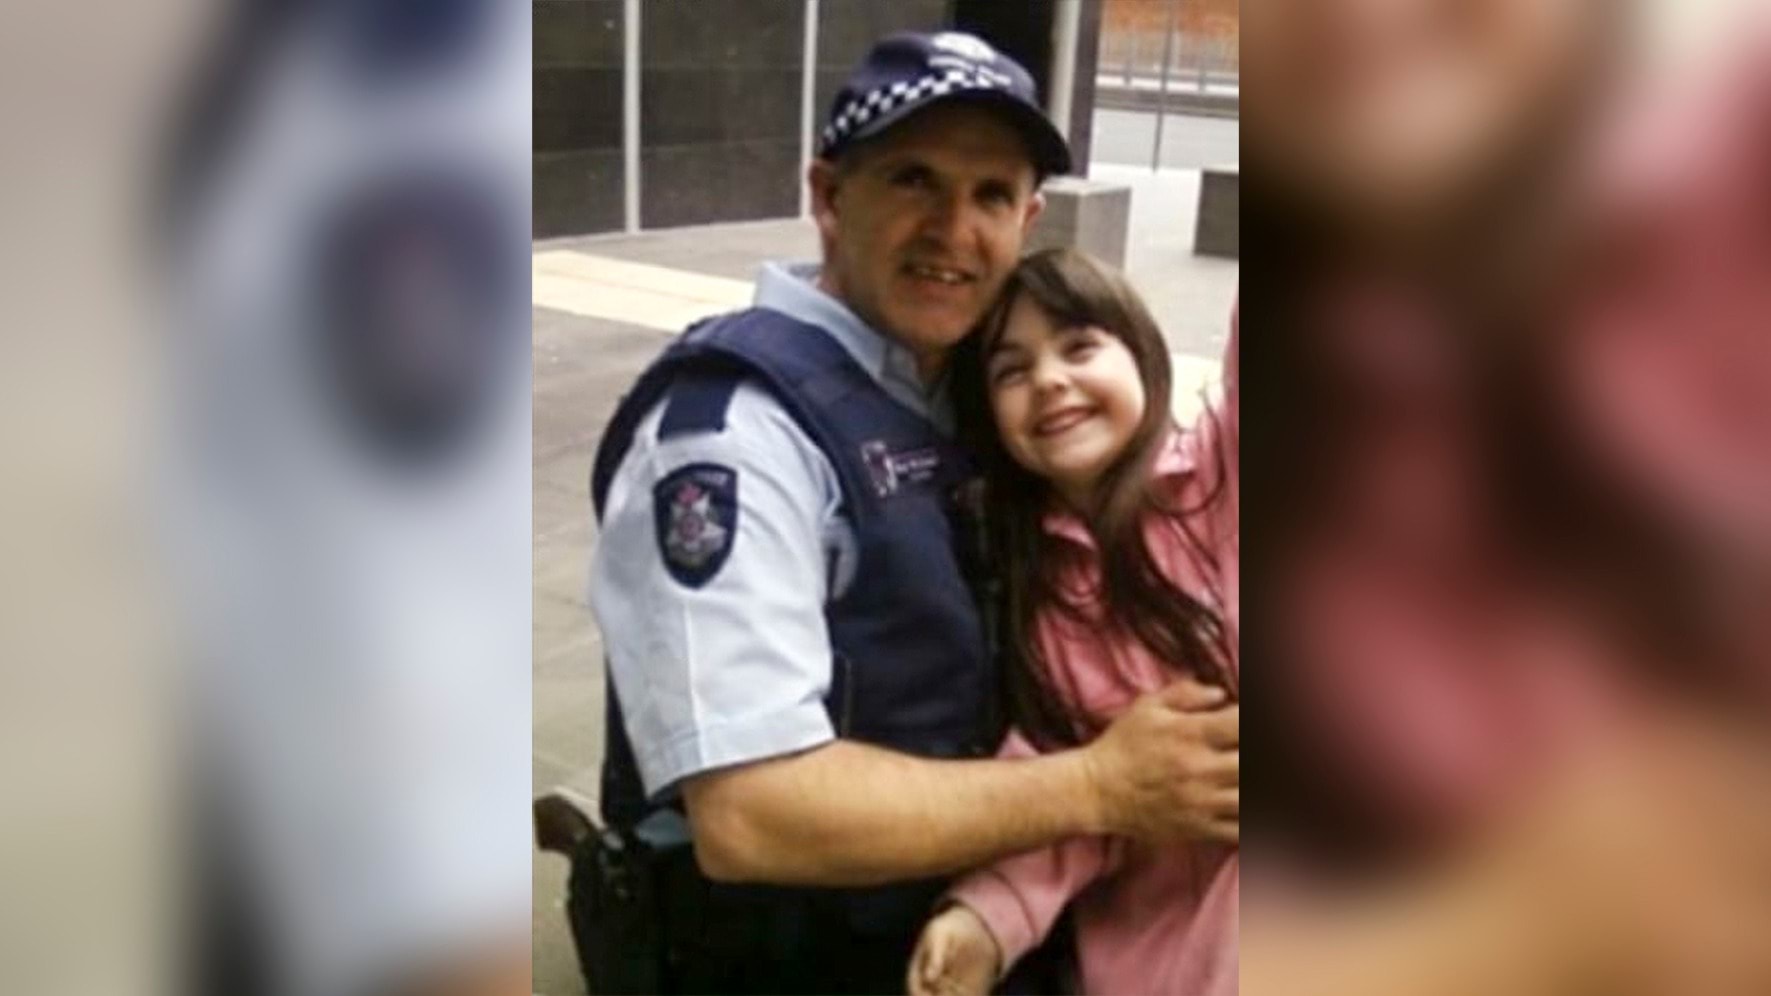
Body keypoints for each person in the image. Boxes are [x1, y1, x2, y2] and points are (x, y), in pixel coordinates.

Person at [587, 31, 1228, 994]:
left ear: (1029, 220)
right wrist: (1099, 786)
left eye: (990, 196)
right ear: (828, 196)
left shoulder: (962, 400)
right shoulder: (731, 440)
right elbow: (753, 812)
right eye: (913, 181)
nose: (953, 230)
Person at [906, 249, 1241, 996]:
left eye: (1079, 346)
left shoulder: (1225, 478)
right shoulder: (1033, 592)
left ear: (1145, 356)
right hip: (1152, 960)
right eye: (1011, 371)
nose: (1050, 379)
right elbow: (1059, 787)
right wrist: (986, 917)